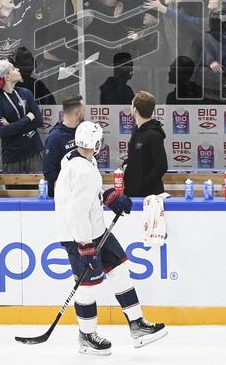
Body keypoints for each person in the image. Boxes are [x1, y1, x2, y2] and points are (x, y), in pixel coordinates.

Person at [52, 120, 167, 356]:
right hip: (79, 236)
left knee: (119, 270)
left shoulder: (80, 158)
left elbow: (87, 197)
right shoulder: (82, 170)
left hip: (95, 229)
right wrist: (85, 246)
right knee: (87, 287)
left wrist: (109, 198)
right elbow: (75, 211)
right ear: (94, 143)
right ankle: (86, 336)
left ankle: (137, 325)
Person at [0, 58, 44, 172]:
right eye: (13, 68)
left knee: (38, 189)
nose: (18, 69)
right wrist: (28, 118)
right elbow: (2, 132)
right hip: (12, 156)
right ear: (7, 77)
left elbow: (38, 120)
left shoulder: (26, 93)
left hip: (34, 151)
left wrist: (11, 126)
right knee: (14, 189)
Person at [122, 90, 167, 197]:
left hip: (149, 196)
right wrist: (126, 165)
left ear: (135, 109)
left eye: (131, 104)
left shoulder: (154, 135)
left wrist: (144, 183)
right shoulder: (136, 130)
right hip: (131, 192)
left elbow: (161, 166)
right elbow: (136, 156)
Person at [42, 94, 86, 196]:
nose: (85, 112)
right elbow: (48, 171)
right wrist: (65, 188)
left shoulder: (83, 132)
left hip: (82, 193)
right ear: (79, 113)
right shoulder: (55, 137)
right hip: (62, 197)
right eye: (84, 109)